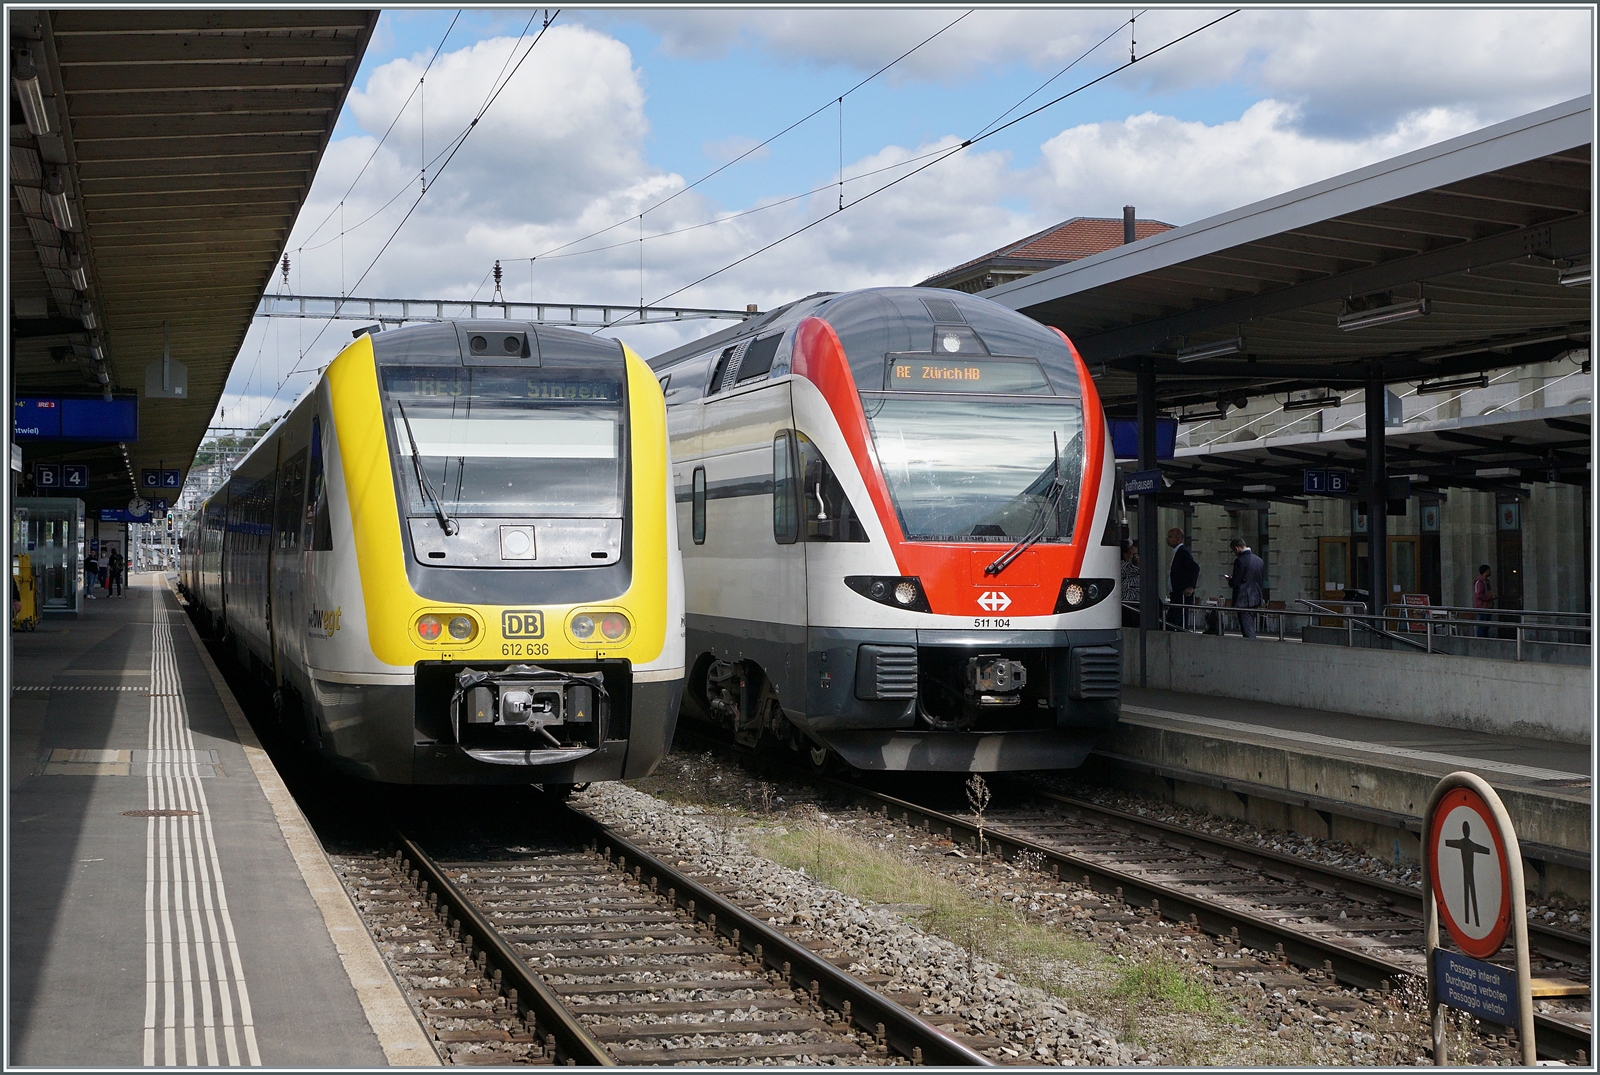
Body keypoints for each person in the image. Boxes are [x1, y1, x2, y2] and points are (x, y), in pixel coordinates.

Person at [1225, 537, 1267, 638]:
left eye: (1233, 551)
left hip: (1243, 599)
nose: (1234, 553)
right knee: (1250, 624)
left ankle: (1252, 648)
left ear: (1236, 548)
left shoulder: (1240, 561)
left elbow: (1236, 581)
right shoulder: (1259, 560)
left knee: (1247, 628)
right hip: (1256, 598)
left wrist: (1230, 580)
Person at [1166, 528, 1199, 630]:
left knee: (1175, 620)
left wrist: (1190, 586)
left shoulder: (1182, 552)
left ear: (1179, 539)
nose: (1167, 539)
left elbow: (1195, 567)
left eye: (1170, 537)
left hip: (1181, 594)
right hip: (1176, 593)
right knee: (1175, 620)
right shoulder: (1178, 552)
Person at [1120, 540, 1141, 627]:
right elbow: (1140, 569)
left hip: (1132, 601)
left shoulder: (1126, 564)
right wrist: (1135, 554)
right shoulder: (1123, 565)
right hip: (1128, 600)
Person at [1472, 564, 1495, 638]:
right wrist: (1489, 598)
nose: (1490, 572)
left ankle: (1485, 638)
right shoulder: (1479, 582)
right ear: (1485, 571)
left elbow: (1488, 591)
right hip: (1482, 606)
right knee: (1482, 625)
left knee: (1486, 625)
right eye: (1489, 570)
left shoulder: (1487, 582)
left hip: (1488, 606)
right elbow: (1479, 595)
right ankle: (1480, 639)